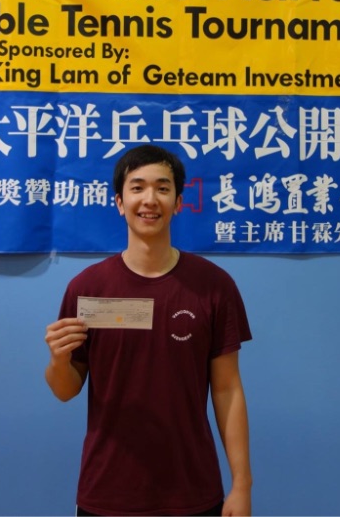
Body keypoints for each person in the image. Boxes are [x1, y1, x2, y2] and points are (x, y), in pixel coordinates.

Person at [44, 144, 253, 516]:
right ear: (120, 202)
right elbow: (65, 390)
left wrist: (241, 484)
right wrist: (59, 359)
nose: (149, 199)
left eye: (162, 187)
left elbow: (227, 389)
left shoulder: (214, 286)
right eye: (137, 187)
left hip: (193, 492)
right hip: (107, 493)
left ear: (178, 202)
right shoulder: (87, 288)